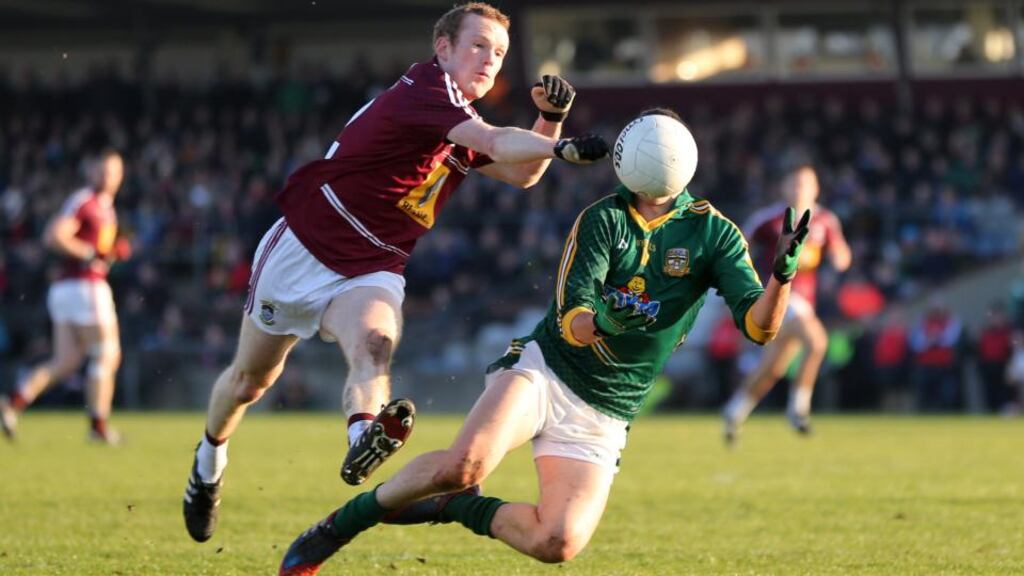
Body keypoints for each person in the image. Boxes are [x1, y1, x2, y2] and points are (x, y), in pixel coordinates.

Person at [276, 108, 810, 575]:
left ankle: (454, 508)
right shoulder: (601, 221)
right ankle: (335, 529)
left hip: (607, 409)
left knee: (557, 542)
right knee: (465, 464)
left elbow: (759, 328)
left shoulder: (714, 233)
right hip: (546, 369)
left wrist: (781, 276)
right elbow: (574, 320)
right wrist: (604, 323)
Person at [182, 2, 610, 544]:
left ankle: (364, 436)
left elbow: (522, 173)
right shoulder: (426, 91)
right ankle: (208, 461)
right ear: (443, 48)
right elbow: (503, 144)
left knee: (375, 344)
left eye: (499, 53)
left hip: (376, 261)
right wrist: (562, 145)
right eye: (477, 45)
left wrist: (550, 121)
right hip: (309, 244)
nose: (488, 60)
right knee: (250, 381)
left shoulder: (462, 117)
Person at [0, 149, 130, 444]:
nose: (110, 177)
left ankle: (12, 403)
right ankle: (98, 427)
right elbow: (54, 235)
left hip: (68, 289)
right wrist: (93, 253)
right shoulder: (86, 201)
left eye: (115, 172)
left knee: (65, 361)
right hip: (85, 287)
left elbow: (95, 249)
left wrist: (111, 252)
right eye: (105, 171)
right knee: (107, 354)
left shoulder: (104, 206)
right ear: (93, 171)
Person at [722, 162, 850, 443]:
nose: (800, 189)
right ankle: (798, 410)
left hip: (805, 301)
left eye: (806, 183)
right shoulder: (768, 219)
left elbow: (841, 253)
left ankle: (734, 411)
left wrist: (839, 258)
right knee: (817, 342)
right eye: (795, 183)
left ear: (816, 188)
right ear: (784, 187)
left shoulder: (826, 221)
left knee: (773, 368)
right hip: (778, 297)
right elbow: (736, 247)